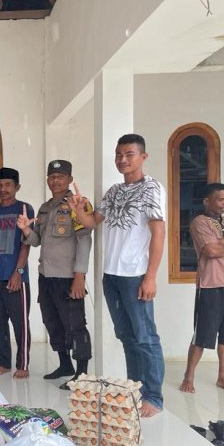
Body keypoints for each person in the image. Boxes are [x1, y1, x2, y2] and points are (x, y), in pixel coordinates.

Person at [69, 133, 166, 418]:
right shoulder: (113, 191)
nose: (123, 160)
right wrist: (78, 210)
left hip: (135, 275)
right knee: (126, 335)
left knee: (145, 336)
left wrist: (151, 276)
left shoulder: (152, 188)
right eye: (119, 155)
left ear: (143, 157)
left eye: (130, 154)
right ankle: (136, 388)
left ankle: (153, 396)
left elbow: (158, 233)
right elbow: (91, 222)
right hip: (111, 275)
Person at [18, 160, 93, 389]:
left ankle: (81, 372)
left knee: (75, 324)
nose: (55, 180)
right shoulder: (45, 207)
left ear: (70, 179)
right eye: (52, 176)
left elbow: (84, 239)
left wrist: (80, 275)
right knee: (52, 321)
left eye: (61, 176)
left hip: (68, 276)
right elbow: (37, 240)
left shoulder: (78, 204)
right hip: (47, 275)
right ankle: (64, 365)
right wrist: (25, 230)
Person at [180, 183, 224, 394]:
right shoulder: (199, 223)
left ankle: (223, 377)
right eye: (220, 199)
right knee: (201, 335)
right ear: (206, 201)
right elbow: (210, 250)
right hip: (210, 286)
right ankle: (188, 376)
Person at [0, 167, 34, 378]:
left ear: (17, 187)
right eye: (0, 185)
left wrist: (18, 272)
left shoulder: (24, 209)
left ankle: (23, 365)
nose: (4, 189)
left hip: (16, 276)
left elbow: (27, 243)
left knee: (20, 323)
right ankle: (2, 362)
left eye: (8, 185)